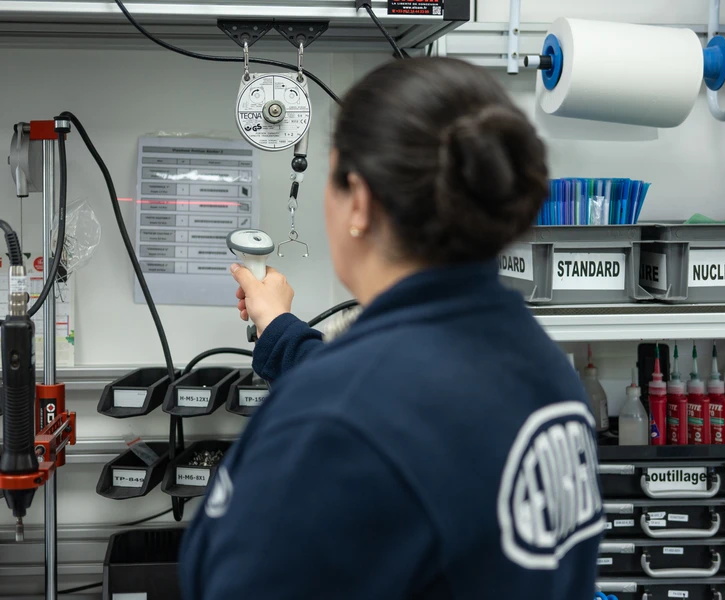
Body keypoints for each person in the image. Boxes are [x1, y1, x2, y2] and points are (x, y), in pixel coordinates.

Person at [180, 57, 604, 599]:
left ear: (357, 199)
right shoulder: (543, 368)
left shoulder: (333, 421)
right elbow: (414, 423)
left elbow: (364, 420)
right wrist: (280, 329)